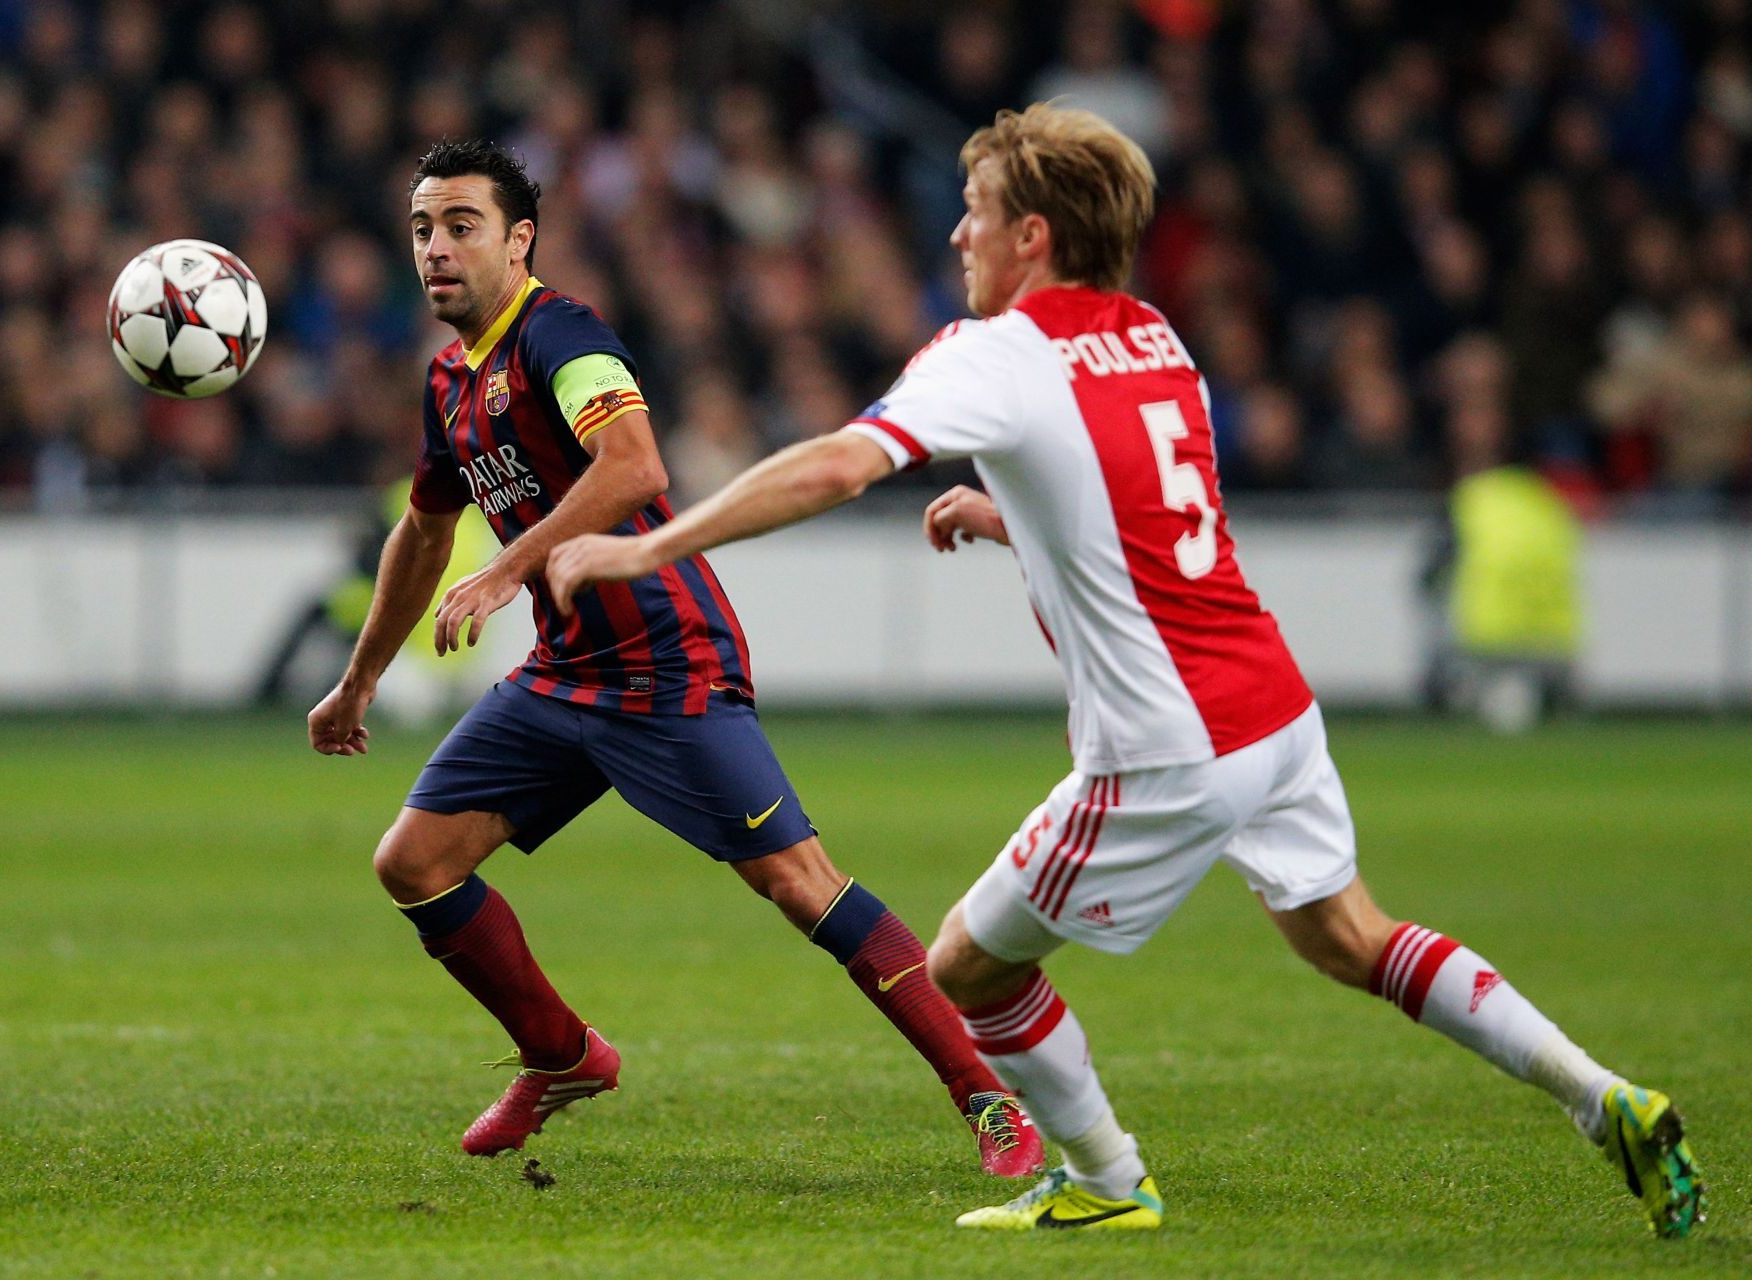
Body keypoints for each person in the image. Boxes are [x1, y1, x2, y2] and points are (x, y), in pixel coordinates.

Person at [546, 105, 1706, 1237]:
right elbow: (1151, 514)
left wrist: (647, 542)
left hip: (1168, 743)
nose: (959, 235)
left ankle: (1108, 1175)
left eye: (975, 210)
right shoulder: (1157, 335)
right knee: (1350, 934)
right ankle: (1599, 1093)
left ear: (1033, 235)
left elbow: (840, 465)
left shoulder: (998, 350)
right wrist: (1017, 520)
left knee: (965, 965)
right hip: (1274, 710)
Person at [305, 139, 1041, 1176]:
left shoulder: (562, 334)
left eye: (462, 224)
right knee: (413, 861)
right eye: (423, 227)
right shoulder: (446, 379)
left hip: (667, 661)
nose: (436, 247)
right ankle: (561, 1055)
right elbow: (423, 531)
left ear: (520, 241)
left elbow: (635, 461)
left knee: (799, 882)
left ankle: (992, 1100)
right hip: (565, 676)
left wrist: (513, 562)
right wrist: (360, 677)